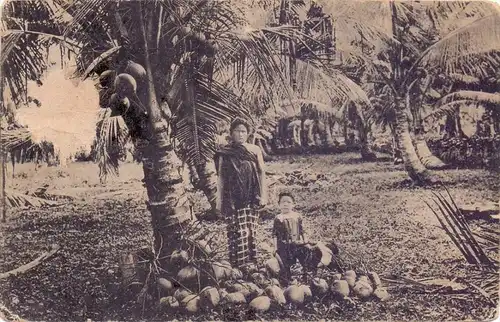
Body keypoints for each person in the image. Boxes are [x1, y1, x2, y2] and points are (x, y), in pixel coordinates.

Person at [214, 118, 267, 268]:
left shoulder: (254, 150)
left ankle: (251, 262)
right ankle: (237, 264)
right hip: (232, 198)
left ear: (248, 133)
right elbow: (221, 177)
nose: (240, 134)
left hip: (251, 195)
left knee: (250, 230)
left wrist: (263, 196)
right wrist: (219, 202)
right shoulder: (225, 152)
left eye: (243, 131)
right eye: (237, 131)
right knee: (235, 231)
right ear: (231, 133)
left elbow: (262, 172)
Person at [272, 192, 309, 282]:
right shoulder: (278, 218)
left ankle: (306, 276)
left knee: (304, 259)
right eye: (283, 202)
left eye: (288, 202)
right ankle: (287, 279)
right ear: (279, 204)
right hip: (284, 244)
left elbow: (302, 230)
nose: (285, 204)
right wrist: (275, 247)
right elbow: (274, 234)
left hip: (297, 243)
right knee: (285, 262)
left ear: (293, 204)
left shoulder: (297, 216)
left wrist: (305, 241)